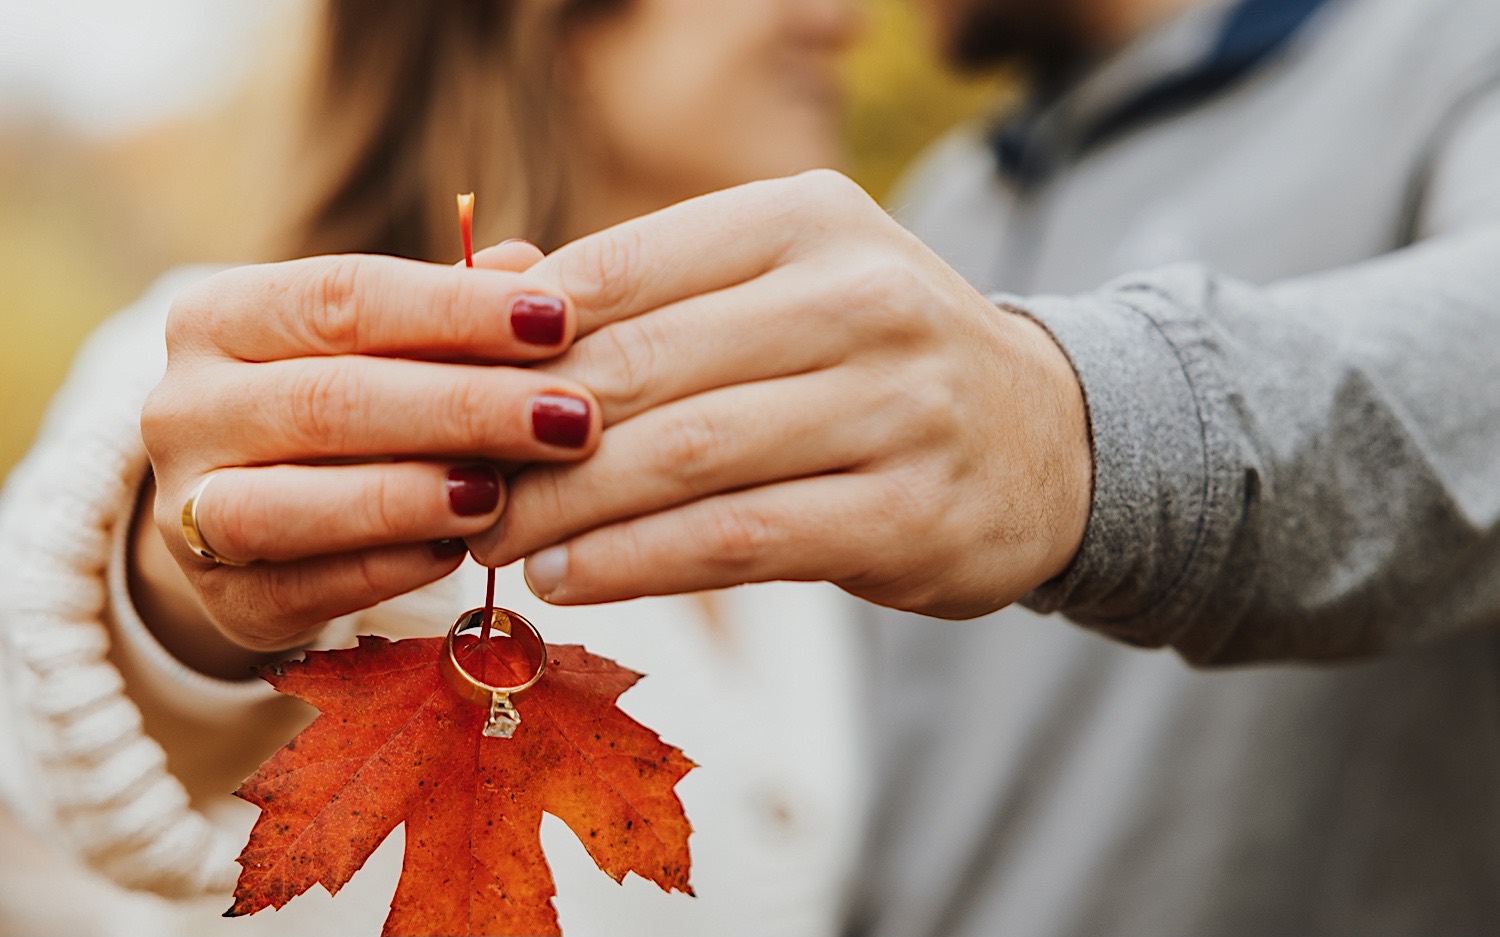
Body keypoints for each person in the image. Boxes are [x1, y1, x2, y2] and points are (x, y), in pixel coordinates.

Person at [7, 0, 1500, 934]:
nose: (846, 18)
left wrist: (1074, 426)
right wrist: (174, 594)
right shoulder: (290, 371)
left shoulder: (821, 410)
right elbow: (83, 691)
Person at [0, 2, 868, 935]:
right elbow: (76, 664)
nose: (839, 19)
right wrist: (184, 592)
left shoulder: (784, 436)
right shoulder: (266, 378)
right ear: (554, 23)